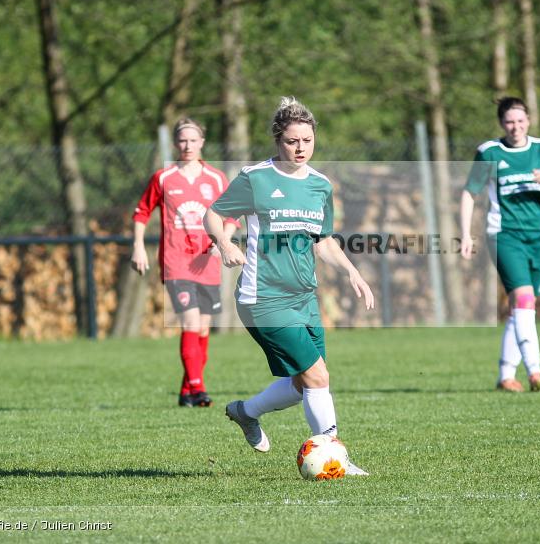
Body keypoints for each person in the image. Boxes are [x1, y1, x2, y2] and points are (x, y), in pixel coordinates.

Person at [204, 96, 374, 475]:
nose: (300, 149)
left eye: (307, 141)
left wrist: (351, 270)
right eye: (292, 141)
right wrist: (225, 242)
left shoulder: (320, 185)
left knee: (302, 385)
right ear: (278, 140)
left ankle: (245, 412)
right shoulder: (255, 178)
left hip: (303, 297)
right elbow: (213, 214)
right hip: (262, 297)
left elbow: (323, 240)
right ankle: (336, 460)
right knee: (318, 377)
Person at [459, 97, 540, 393]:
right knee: (523, 301)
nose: (516, 127)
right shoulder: (489, 152)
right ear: (501, 123)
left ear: (529, 121)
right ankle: (535, 371)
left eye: (520, 120)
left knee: (522, 307)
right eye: (510, 121)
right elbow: (469, 193)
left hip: (538, 237)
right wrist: (466, 233)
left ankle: (506, 376)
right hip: (504, 235)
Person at [131, 117, 239, 407]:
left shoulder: (215, 179)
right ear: (175, 143)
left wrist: (224, 242)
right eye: (182, 140)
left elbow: (231, 216)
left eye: (193, 140)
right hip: (176, 260)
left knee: (203, 328)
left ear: (202, 142)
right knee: (190, 321)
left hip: (207, 261)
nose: (187, 145)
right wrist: (138, 247)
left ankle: (186, 393)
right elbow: (142, 212)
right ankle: (199, 388)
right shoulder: (163, 178)